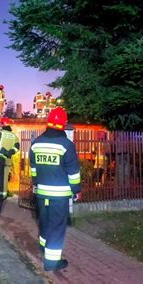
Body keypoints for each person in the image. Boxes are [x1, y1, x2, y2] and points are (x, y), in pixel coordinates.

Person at [29, 107, 82, 271]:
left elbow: (33, 169)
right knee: (57, 226)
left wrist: (37, 182)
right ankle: (52, 262)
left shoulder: (36, 143)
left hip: (41, 192)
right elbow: (73, 172)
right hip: (59, 195)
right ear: (63, 124)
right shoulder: (67, 144)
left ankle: (44, 247)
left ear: (48, 122)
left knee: (44, 221)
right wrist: (76, 190)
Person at [0, 117, 20, 216]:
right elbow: (17, 147)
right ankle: (3, 195)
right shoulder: (13, 135)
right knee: (5, 178)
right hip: (7, 160)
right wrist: (9, 152)